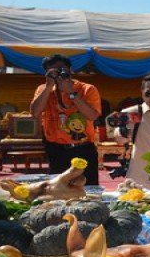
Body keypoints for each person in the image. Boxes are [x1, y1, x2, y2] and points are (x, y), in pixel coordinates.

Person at [30, 54, 102, 185]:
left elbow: (92, 116)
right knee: (58, 190)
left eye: (61, 70)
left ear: (71, 70)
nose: (58, 74)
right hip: (56, 150)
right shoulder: (43, 89)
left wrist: (71, 92)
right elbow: (35, 113)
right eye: (53, 71)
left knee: (87, 188)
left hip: (83, 148)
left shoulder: (87, 89)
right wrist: (48, 86)